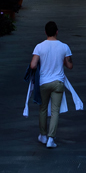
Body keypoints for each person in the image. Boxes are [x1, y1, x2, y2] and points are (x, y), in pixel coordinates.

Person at [29, 19, 73, 149]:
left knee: (42, 109)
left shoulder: (39, 46)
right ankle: (51, 138)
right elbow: (69, 65)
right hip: (58, 82)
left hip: (43, 82)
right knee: (55, 111)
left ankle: (42, 135)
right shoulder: (64, 47)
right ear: (57, 32)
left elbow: (33, 65)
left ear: (45, 32)